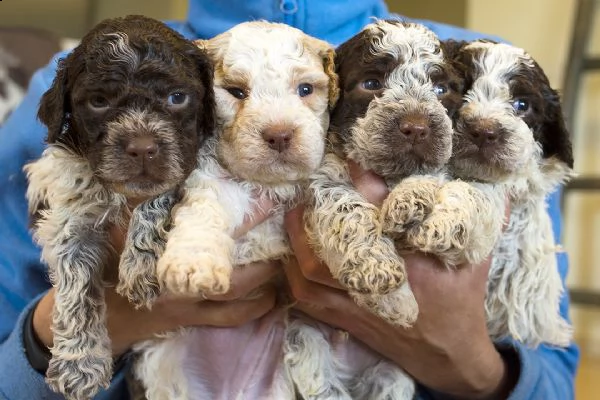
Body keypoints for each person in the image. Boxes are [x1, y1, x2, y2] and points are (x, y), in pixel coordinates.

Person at [0, 1, 579, 399]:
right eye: (233, 93)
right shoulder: (69, 84)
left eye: (308, 91)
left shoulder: (481, 71)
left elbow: (552, 366)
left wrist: (467, 362)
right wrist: (103, 319)